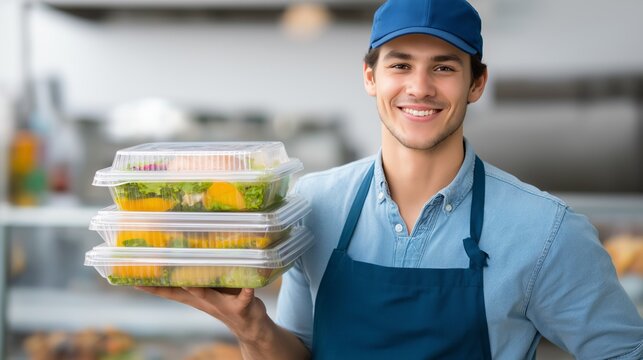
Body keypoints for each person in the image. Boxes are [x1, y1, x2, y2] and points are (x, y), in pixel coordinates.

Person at [138, 0, 643, 358]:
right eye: (401, 65)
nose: (419, 88)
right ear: (370, 77)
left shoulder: (546, 231)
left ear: (477, 83)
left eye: (443, 67)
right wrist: (251, 327)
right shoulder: (310, 206)